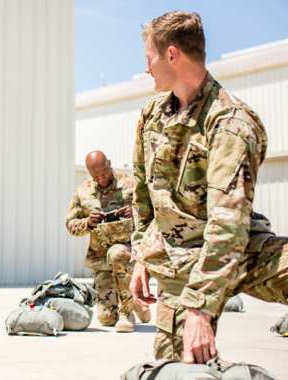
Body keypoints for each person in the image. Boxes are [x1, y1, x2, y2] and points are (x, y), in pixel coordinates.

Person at [130, 11, 288, 364]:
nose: (146, 69)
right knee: (172, 370)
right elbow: (143, 196)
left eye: (149, 58)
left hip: (234, 251)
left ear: (172, 55)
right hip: (177, 259)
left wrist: (200, 306)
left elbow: (228, 225)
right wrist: (141, 257)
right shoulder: (151, 117)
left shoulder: (230, 122)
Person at [66, 151, 151, 332]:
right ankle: (137, 303)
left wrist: (135, 213)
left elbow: (153, 215)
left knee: (117, 252)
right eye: (95, 176)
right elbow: (70, 225)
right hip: (101, 259)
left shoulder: (131, 185)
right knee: (106, 319)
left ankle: (126, 311)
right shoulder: (83, 192)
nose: (101, 179)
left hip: (127, 254)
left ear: (110, 164)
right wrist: (87, 222)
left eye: (104, 174)